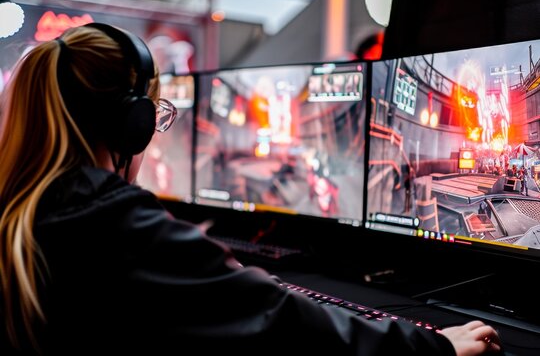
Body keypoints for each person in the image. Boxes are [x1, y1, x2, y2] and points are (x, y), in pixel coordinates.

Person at [0, 23, 501, 355]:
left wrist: (213, 274)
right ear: (130, 126)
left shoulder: (29, 207)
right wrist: (437, 346)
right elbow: (279, 323)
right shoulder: (112, 226)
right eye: (155, 118)